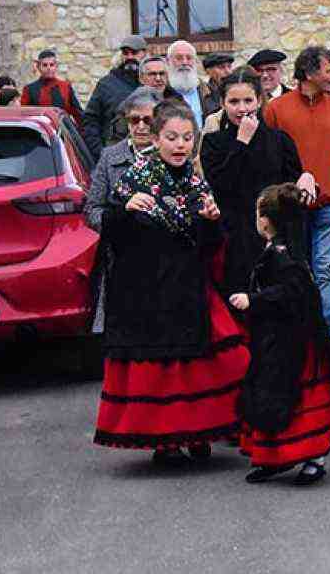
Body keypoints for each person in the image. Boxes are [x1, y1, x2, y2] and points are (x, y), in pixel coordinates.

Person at [93, 100, 250, 462]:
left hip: (189, 285)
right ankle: (164, 440)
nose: (180, 145)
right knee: (160, 369)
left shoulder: (196, 182)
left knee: (210, 364)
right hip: (144, 290)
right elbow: (113, 234)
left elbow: (209, 246)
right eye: (172, 137)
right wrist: (126, 212)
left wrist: (211, 221)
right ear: (157, 138)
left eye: (186, 138)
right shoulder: (134, 178)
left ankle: (200, 432)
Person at [230, 183, 330, 487]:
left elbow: (292, 291)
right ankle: (273, 457)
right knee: (272, 392)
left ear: (267, 220)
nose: (256, 219)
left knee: (297, 394)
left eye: (259, 213)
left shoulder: (285, 255)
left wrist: (254, 300)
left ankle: (314, 457)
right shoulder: (280, 250)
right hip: (277, 339)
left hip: (294, 342)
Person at [263, 47, 330, 348]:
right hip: (290, 207)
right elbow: (268, 156)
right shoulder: (276, 109)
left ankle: (327, 339)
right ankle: (300, 337)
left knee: (325, 269)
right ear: (310, 73)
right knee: (297, 270)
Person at [201, 68, 307, 300]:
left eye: (248, 100)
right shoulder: (213, 143)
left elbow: (291, 189)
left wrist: (306, 180)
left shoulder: (280, 140)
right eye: (234, 101)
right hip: (235, 236)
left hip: (275, 236)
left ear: (259, 101)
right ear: (222, 103)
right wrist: (241, 142)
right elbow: (221, 183)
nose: (242, 108)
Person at [84, 87, 163, 333]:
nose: (140, 126)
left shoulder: (171, 154)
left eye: (147, 120)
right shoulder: (110, 157)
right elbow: (92, 208)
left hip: (164, 257)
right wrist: (115, 220)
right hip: (121, 258)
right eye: (134, 120)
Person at [82, 35, 147, 159]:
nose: (130, 57)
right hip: (116, 158)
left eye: (134, 53)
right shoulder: (106, 84)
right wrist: (101, 152)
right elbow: (90, 120)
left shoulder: (154, 82)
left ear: (144, 53)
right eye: (126, 53)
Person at [165, 40, 220, 130]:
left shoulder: (211, 92)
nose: (185, 62)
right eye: (179, 58)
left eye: (189, 58)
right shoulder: (162, 94)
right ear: (168, 62)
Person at [20, 49, 85, 122]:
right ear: (38, 67)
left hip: (62, 131)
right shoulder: (29, 90)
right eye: (45, 65)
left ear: (56, 66)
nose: (48, 68)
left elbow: (78, 114)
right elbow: (24, 117)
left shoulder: (66, 87)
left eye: (51, 65)